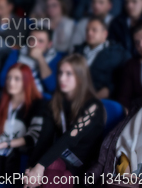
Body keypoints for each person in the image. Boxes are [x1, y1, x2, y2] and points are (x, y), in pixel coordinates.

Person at [23, 54, 105, 188]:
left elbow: (69, 138)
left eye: (68, 74)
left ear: (80, 77)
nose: (62, 78)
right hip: (58, 158)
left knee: (50, 172)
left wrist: (40, 166)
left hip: (82, 167)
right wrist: (31, 170)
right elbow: (44, 139)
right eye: (60, 73)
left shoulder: (93, 106)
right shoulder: (55, 102)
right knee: (48, 171)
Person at [73, 17, 131, 99]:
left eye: (94, 30)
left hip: (99, 99)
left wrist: (109, 90)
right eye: (87, 30)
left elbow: (122, 81)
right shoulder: (78, 51)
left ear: (105, 34)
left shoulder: (118, 53)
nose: (89, 33)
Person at [0, 28, 64, 95]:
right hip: (16, 95)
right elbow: (2, 80)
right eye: (32, 39)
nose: (34, 44)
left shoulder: (56, 58)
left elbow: (52, 87)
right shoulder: (17, 54)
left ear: (49, 45)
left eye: (40, 41)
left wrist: (40, 59)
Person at [118, 20, 142, 109]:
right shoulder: (131, 65)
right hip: (136, 116)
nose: (141, 45)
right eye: (137, 42)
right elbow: (123, 98)